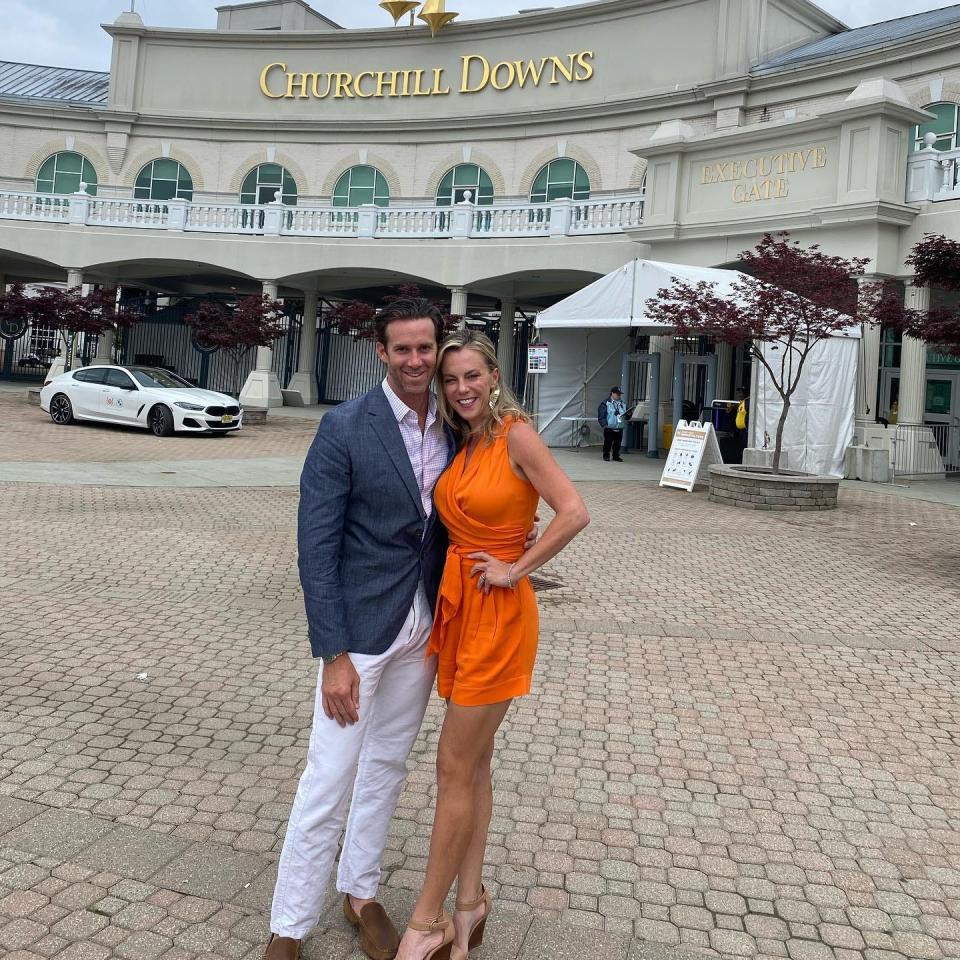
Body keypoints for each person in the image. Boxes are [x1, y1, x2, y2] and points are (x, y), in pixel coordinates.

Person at [265, 299, 537, 960]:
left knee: (387, 765)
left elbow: (473, 500)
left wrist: (515, 536)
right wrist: (331, 652)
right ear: (380, 352)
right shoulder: (344, 426)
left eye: (426, 349)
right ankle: (289, 927)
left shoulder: (455, 423)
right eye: (403, 350)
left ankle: (361, 894)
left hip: (427, 623)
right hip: (358, 632)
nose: (417, 361)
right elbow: (316, 546)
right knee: (329, 776)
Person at [395, 331, 589, 960]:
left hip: (500, 615)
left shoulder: (516, 435)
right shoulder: (468, 438)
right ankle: (469, 904)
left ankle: (426, 922)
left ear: (495, 375)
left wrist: (515, 566)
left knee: (452, 767)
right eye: (450, 380)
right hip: (460, 609)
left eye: (471, 376)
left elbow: (573, 511)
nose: (460, 388)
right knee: (472, 766)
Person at [597, 386, 626, 461]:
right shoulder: (605, 403)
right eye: (617, 394)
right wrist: (604, 425)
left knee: (618, 443)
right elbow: (601, 415)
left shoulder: (622, 403)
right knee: (608, 442)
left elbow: (626, 415)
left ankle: (616, 456)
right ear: (612, 393)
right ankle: (606, 455)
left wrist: (629, 414)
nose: (619, 395)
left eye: (619, 394)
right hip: (609, 427)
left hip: (619, 427)